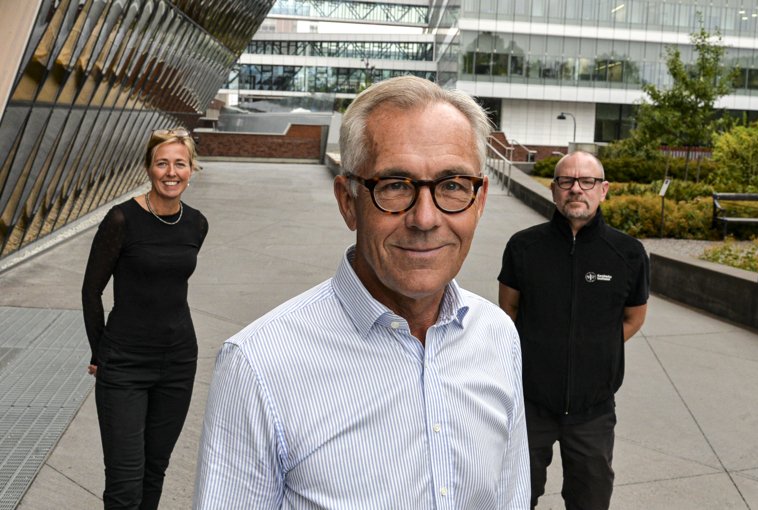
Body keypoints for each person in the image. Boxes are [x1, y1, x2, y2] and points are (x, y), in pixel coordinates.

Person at [194, 76, 530, 509]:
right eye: (395, 185)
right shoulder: (258, 366)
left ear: (479, 201)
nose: (425, 219)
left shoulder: (498, 336)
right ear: (348, 202)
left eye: (451, 185)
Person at [498, 150, 649, 509]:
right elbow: (508, 310)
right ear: (554, 189)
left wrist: (594, 349)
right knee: (515, 497)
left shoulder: (628, 254)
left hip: (593, 410)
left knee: (590, 501)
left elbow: (634, 318)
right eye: (566, 181)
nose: (576, 189)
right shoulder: (524, 246)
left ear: (603, 190)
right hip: (530, 403)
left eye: (587, 181)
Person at [82, 127, 208, 509]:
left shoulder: (196, 223)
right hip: (125, 364)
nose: (171, 172)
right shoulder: (121, 220)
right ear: (149, 168)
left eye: (180, 164)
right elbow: (91, 291)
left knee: (154, 471)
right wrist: (100, 352)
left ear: (191, 169)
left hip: (178, 362)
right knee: (125, 483)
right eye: (162, 163)